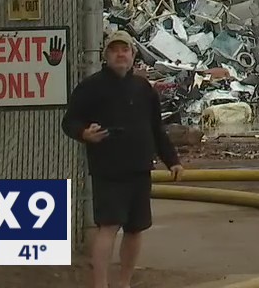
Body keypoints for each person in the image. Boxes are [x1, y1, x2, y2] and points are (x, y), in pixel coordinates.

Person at [61, 30, 182, 288]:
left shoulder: (143, 89)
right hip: (108, 169)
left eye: (124, 50)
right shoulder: (91, 86)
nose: (120, 54)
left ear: (132, 54)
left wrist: (172, 160)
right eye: (114, 50)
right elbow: (69, 121)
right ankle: (100, 284)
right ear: (106, 56)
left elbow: (156, 129)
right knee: (108, 226)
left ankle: (124, 282)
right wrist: (84, 133)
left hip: (139, 168)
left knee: (136, 229)